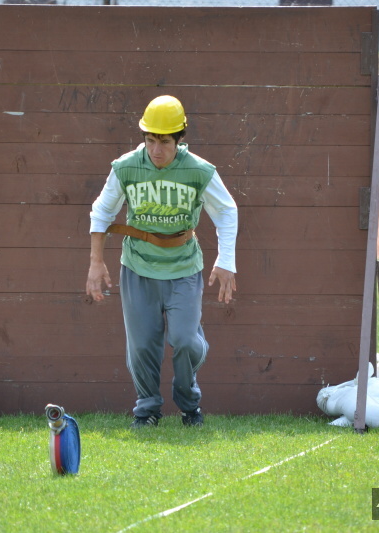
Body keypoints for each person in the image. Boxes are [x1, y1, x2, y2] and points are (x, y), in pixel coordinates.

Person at [86, 95, 238, 428]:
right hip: (137, 266)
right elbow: (102, 211)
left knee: (185, 341)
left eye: (165, 142)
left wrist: (226, 260)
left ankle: (189, 404)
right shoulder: (126, 167)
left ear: (179, 139)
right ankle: (147, 410)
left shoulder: (198, 170)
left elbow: (227, 210)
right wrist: (96, 263)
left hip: (183, 267)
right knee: (142, 346)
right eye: (150, 140)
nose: (156, 150)